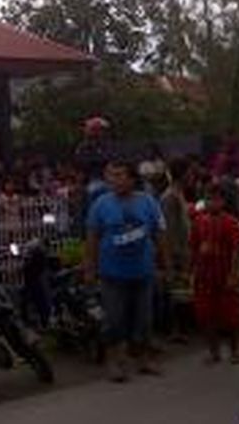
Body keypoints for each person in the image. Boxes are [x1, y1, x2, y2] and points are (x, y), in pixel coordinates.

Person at [86, 160, 168, 383]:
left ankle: (143, 361)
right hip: (112, 274)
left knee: (144, 321)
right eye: (113, 176)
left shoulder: (148, 202)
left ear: (133, 179)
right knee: (114, 321)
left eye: (121, 175)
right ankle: (115, 363)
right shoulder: (101, 204)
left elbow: (159, 234)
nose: (116, 180)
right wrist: (90, 270)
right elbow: (92, 238)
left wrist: (164, 265)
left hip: (143, 272)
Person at [190, 184, 239, 364]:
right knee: (206, 315)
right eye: (208, 199)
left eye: (215, 199)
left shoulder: (231, 222)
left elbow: (236, 250)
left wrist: (233, 274)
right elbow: (194, 247)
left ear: (223, 202)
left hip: (225, 271)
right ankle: (214, 352)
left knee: (231, 315)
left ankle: (235, 350)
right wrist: (193, 270)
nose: (211, 203)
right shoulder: (198, 221)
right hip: (204, 274)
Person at [160, 159, 193, 343]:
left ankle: (179, 329)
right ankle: (174, 330)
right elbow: (169, 229)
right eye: (189, 173)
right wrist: (174, 254)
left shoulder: (178, 194)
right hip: (176, 251)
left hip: (183, 249)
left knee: (182, 292)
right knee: (175, 292)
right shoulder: (170, 197)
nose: (192, 176)